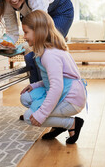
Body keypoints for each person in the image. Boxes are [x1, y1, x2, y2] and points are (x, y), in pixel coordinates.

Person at [0, 0, 74, 83]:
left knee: (47, 47)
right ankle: (36, 87)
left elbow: (41, 30)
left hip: (60, 10)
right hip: (35, 14)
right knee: (30, 54)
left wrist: (26, 45)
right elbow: (12, 33)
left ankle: (54, 88)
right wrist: (3, 45)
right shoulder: (6, 3)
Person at [19, 10, 86, 144]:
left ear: (38, 32)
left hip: (71, 99)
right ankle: (58, 123)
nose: (24, 37)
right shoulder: (46, 50)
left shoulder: (50, 55)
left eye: (26, 32)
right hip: (64, 90)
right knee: (25, 97)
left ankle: (71, 123)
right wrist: (35, 85)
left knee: (29, 117)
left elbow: (57, 86)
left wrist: (41, 114)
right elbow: (53, 79)